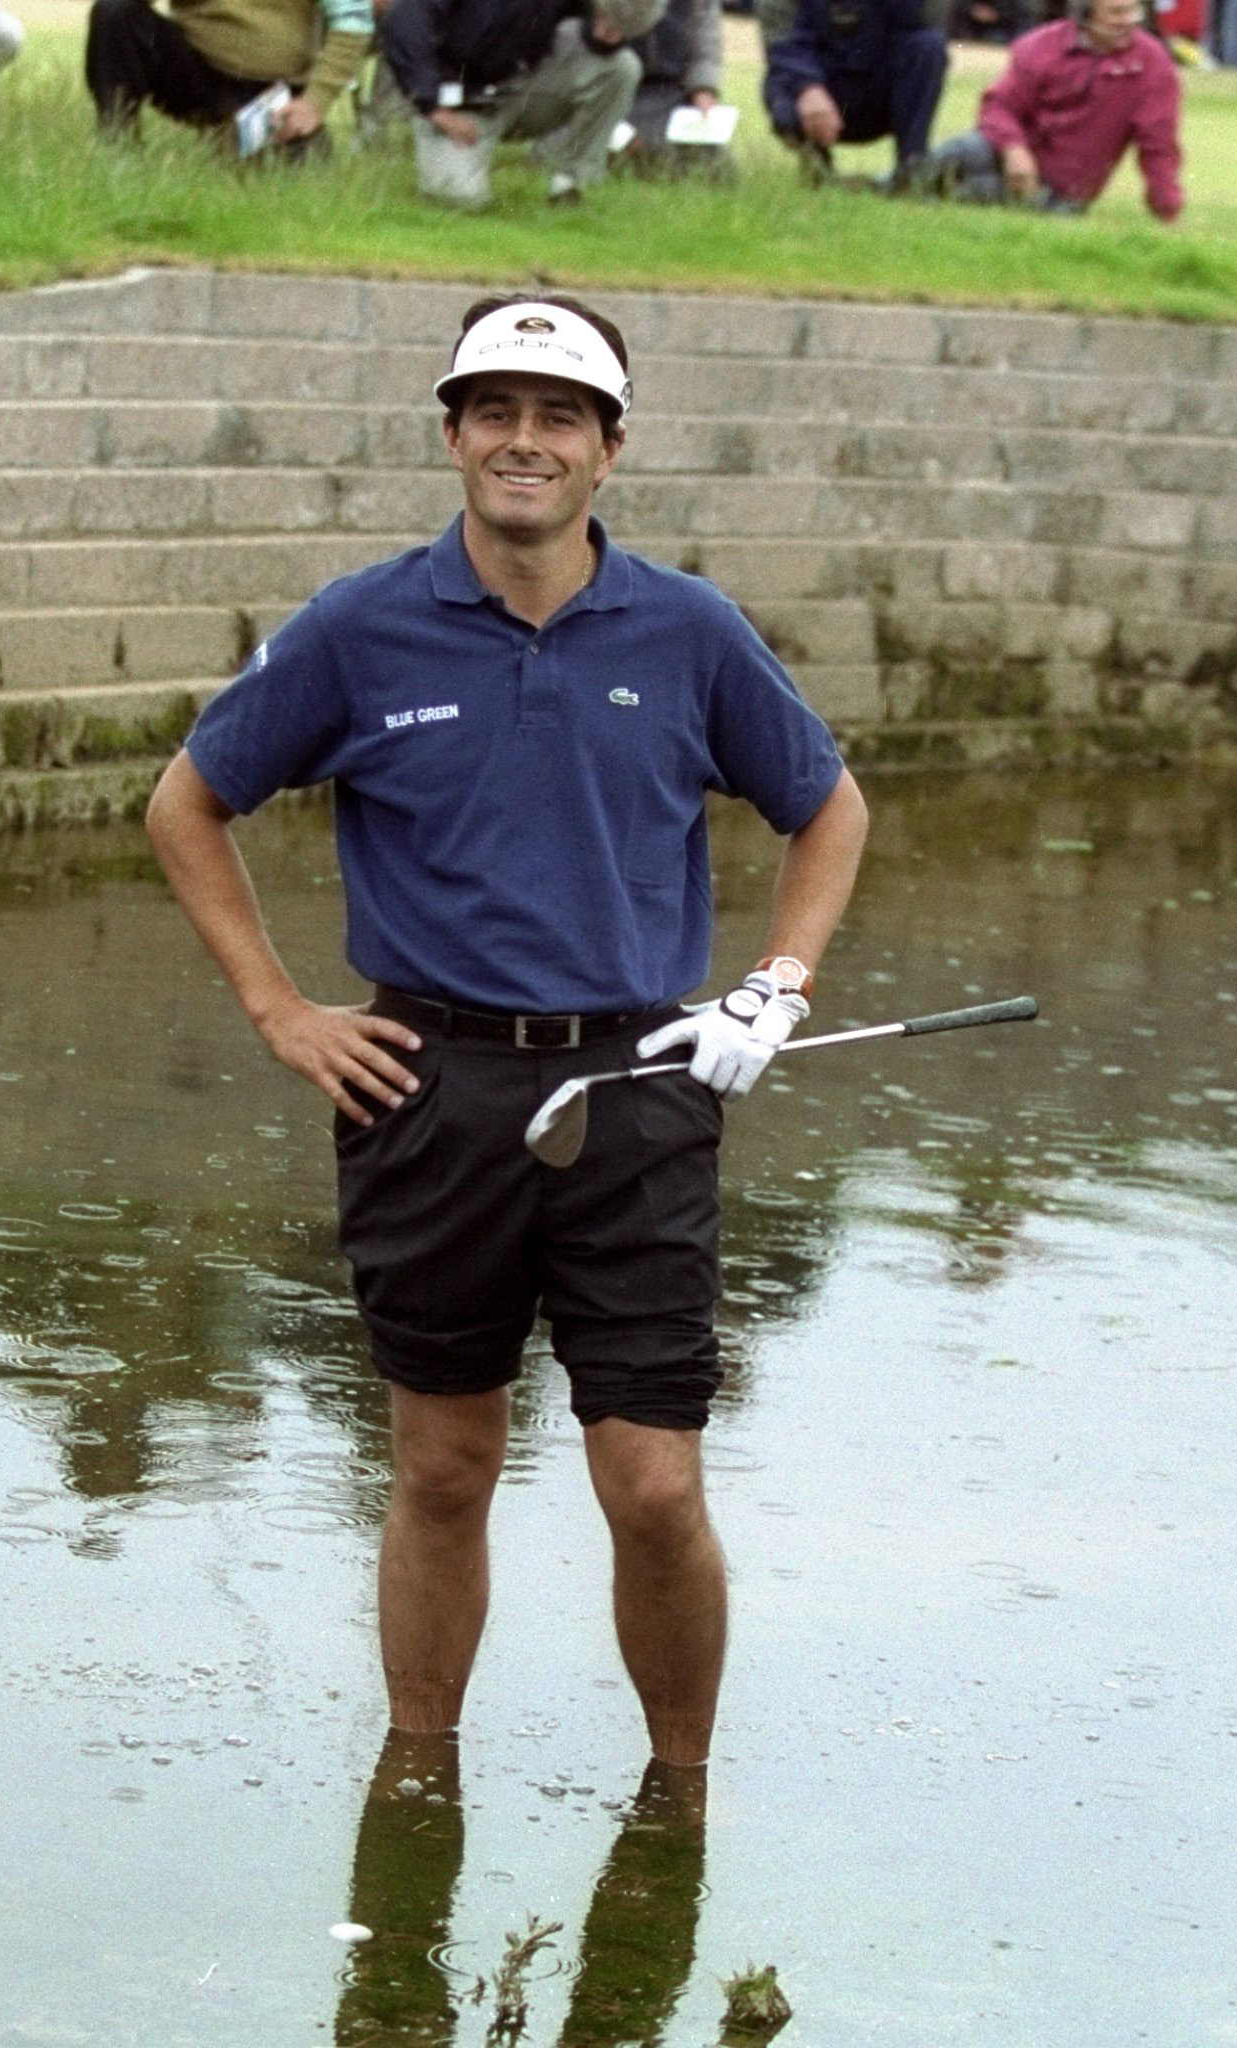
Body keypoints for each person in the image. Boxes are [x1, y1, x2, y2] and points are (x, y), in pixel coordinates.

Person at [143, 296, 869, 1775]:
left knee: (655, 1485)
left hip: (643, 1082)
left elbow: (828, 810)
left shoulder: (689, 629)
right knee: (443, 1466)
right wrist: (282, 1012)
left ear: (610, 450)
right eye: (493, 412)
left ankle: (680, 1793)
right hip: (427, 1084)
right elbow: (187, 804)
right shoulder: (362, 626)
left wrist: (776, 987)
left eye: (558, 417)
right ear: (455, 435)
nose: (521, 442)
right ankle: (421, 1771)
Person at [379, 0, 655, 204]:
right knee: (459, 199)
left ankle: (569, 184)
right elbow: (403, 20)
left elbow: (592, 30)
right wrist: (432, 106)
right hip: (461, 106)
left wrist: (609, 27)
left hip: (527, 87)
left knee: (621, 67)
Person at [931, 0, 1184, 217]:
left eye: (1133, 11)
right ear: (1086, 15)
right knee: (956, 153)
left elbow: (1158, 144)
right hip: (1006, 155)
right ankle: (895, 188)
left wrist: (1167, 208)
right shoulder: (1042, 46)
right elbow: (999, 106)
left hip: (1060, 192)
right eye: (1115, 13)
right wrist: (1014, 150)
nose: (1127, 21)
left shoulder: (1152, 63)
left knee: (968, 194)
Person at [85, 0, 369, 147]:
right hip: (194, 71)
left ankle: (233, 139)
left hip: (269, 94)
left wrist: (314, 103)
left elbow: (353, 22)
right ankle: (119, 149)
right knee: (115, 12)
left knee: (293, 181)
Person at [760, 0, 951, 188]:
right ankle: (817, 168)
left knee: (928, 46)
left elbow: (926, 27)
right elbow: (781, 41)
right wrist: (808, 87)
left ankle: (912, 168)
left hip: (882, 92)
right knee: (781, 82)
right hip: (821, 91)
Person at [612, 0, 727, 174]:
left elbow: (705, 36)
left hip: (672, 91)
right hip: (615, 90)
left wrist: (703, 87)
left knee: (719, 170)